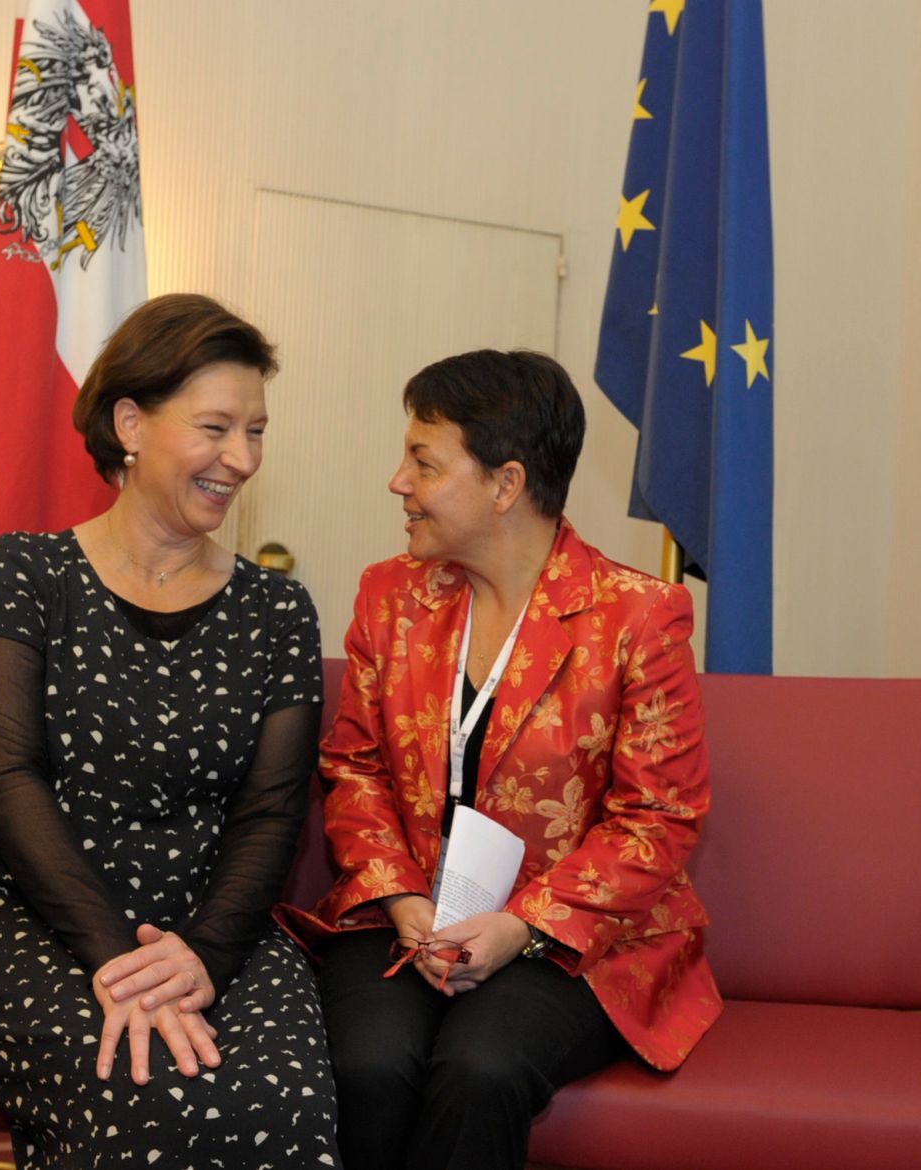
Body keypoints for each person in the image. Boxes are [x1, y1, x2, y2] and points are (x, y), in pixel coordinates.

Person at [0, 294, 341, 1170]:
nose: (242, 458)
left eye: (255, 431)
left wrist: (203, 960)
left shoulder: (278, 612)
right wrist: (120, 963)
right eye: (217, 427)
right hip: (27, 918)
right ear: (131, 424)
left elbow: (272, 815)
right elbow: (7, 785)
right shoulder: (23, 574)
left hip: (215, 930)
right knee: (143, 1101)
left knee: (287, 1109)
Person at [282, 349, 719, 1170]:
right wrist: (403, 896)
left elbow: (659, 819)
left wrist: (519, 926)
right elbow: (354, 769)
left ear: (505, 484)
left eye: (423, 461)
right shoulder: (391, 595)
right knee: (366, 1066)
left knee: (481, 1069)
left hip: (573, 934)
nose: (397, 482)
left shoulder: (638, 615)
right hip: (405, 913)